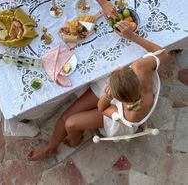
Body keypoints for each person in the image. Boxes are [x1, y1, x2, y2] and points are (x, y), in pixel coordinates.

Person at [27, 20, 169, 160]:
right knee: (63, 118)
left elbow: (102, 108)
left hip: (116, 115)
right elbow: (164, 54)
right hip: (121, 95)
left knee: (69, 123)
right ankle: (50, 147)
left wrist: (107, 98)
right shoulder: (140, 67)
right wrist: (132, 36)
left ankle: (75, 140)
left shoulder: (129, 115)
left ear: (115, 95)